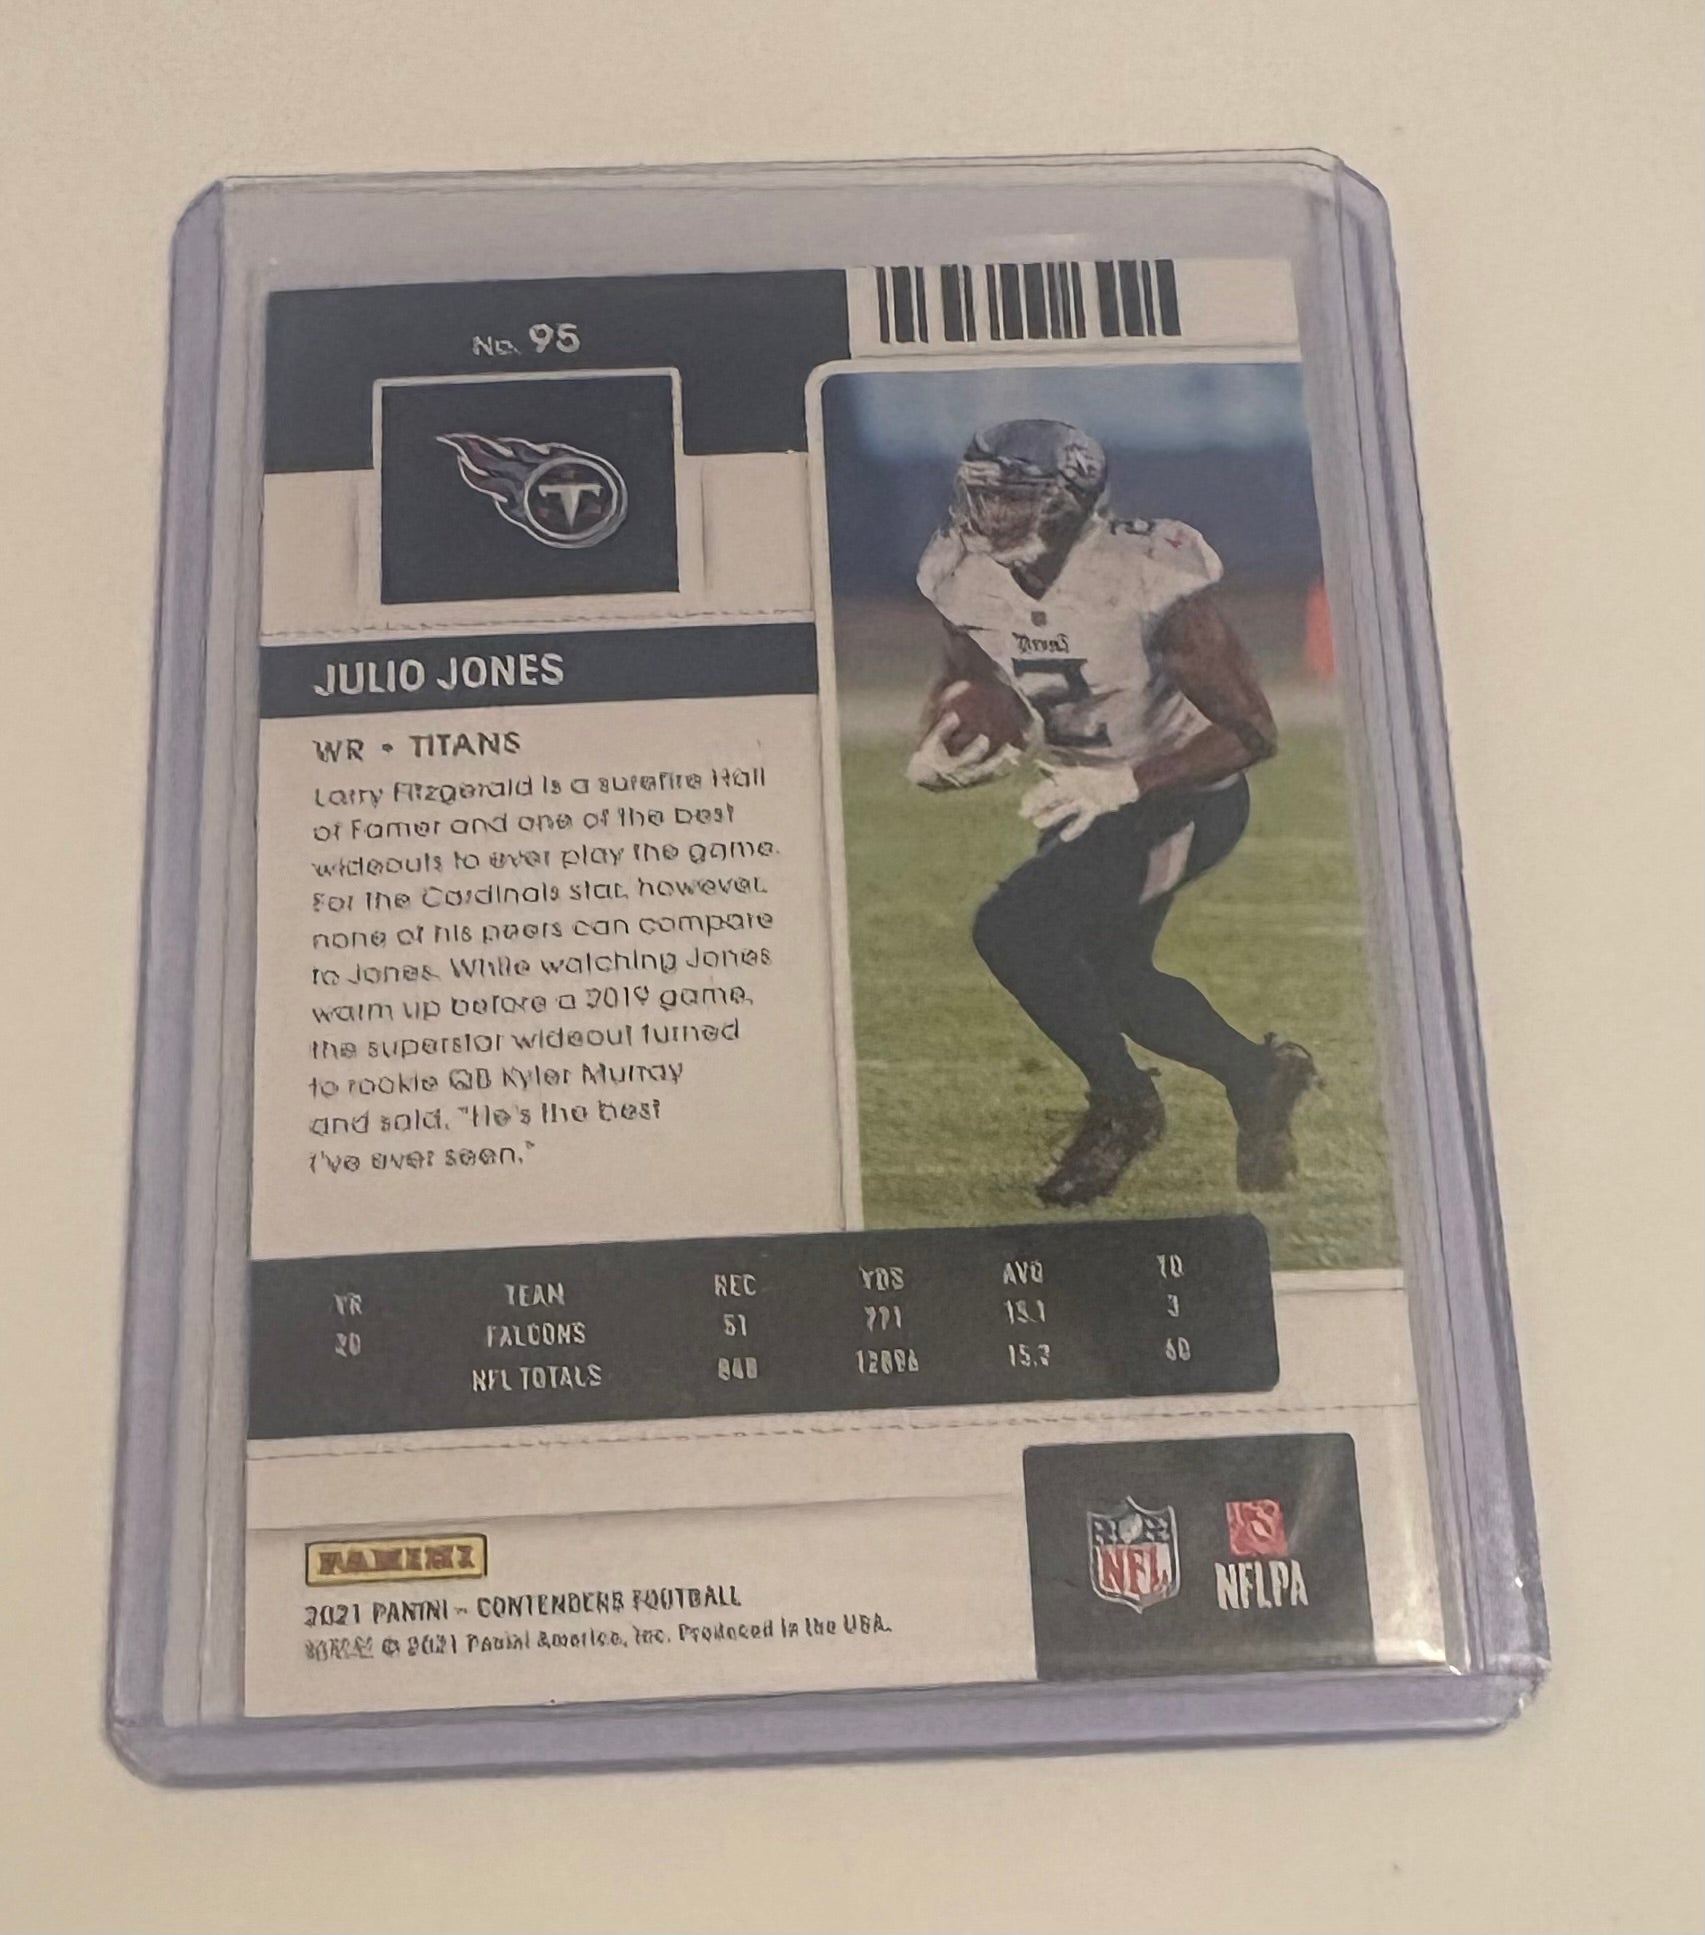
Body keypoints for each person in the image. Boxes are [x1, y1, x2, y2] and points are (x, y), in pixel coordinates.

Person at [907, 417, 1316, 1207]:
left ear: (1068, 500)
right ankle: (1257, 1075)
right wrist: (942, 740)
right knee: (1116, 981)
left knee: (1014, 928)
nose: (990, 515)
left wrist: (1126, 783)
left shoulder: (1141, 572)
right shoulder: (960, 570)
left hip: (1182, 797)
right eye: (982, 495)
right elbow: (971, 675)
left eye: (1013, 497)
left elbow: (1250, 733)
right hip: (1081, 796)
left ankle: (1124, 1106)